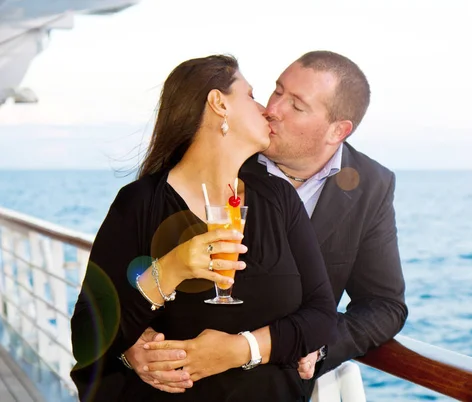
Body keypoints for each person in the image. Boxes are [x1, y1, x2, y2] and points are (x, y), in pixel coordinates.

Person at [123, 50, 408, 399]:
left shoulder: (372, 184)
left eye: (297, 105)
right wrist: (131, 341)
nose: (273, 109)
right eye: (276, 91)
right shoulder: (221, 159)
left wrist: (319, 347)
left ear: (338, 130)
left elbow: (384, 304)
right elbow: (130, 270)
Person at [69, 55, 338, 402]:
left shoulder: (278, 198)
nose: (267, 110)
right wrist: (169, 270)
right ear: (218, 102)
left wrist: (241, 350)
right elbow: (88, 334)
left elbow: (322, 316)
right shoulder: (140, 204)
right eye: (252, 95)